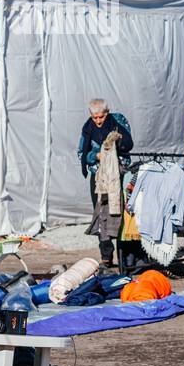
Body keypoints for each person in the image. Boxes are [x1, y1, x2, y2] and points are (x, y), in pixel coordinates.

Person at [78, 99, 134, 265]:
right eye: (94, 117)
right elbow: (81, 153)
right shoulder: (88, 128)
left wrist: (115, 144)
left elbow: (128, 145)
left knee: (120, 213)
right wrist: (95, 156)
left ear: (107, 113)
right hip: (98, 177)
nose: (98, 121)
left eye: (101, 117)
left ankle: (126, 258)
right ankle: (106, 256)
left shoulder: (118, 122)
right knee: (102, 213)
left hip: (119, 174)